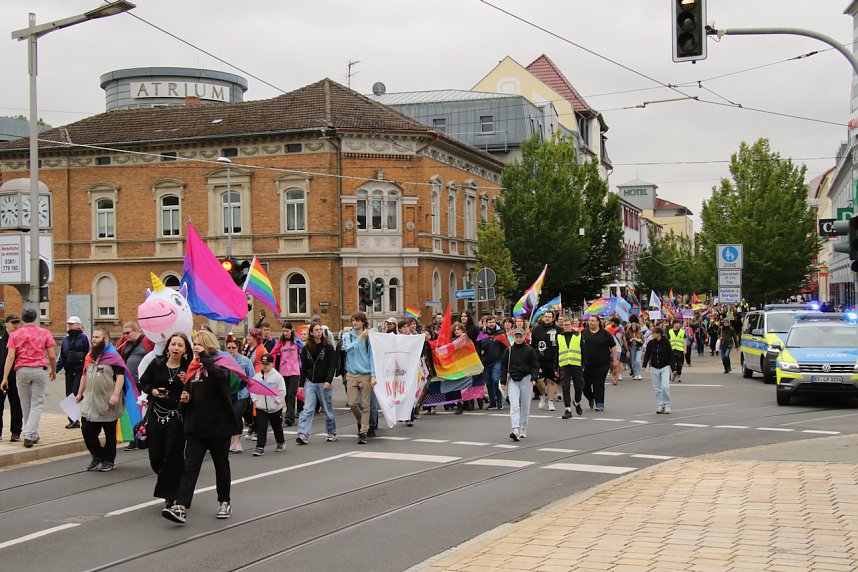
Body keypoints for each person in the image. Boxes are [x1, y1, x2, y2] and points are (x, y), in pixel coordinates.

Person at [162, 331, 236, 524]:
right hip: (196, 427)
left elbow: (219, 379)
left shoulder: (221, 364)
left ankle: (224, 501)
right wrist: (184, 400)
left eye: (199, 344)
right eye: (194, 343)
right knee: (190, 468)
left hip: (219, 427)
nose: (194, 347)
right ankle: (181, 506)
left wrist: (204, 357)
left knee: (221, 465)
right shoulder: (192, 369)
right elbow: (186, 394)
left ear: (208, 346)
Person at [140, 332, 191, 507]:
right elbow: (145, 382)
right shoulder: (158, 363)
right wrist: (153, 391)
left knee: (172, 455)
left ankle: (171, 495)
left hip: (177, 416)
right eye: (173, 344)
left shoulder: (188, 367)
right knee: (155, 456)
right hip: (156, 414)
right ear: (168, 346)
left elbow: (195, 389)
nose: (176, 348)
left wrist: (187, 382)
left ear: (185, 349)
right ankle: (174, 480)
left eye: (180, 345)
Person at [0, 307, 57, 448]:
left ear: (22, 319)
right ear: (35, 318)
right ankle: (29, 434)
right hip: (38, 369)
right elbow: (52, 355)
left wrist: (5, 377)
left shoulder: (15, 335)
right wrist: (54, 370)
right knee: (37, 403)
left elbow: (10, 356)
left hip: (21, 370)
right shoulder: (44, 333)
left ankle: (31, 432)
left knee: (25, 404)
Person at [75, 328, 125, 472]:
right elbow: (84, 375)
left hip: (107, 402)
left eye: (97, 337)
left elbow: (120, 377)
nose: (94, 339)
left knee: (110, 433)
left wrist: (115, 394)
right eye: (93, 337)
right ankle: (97, 456)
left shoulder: (113, 357)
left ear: (106, 340)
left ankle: (109, 460)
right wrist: (79, 393)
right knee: (87, 431)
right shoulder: (90, 356)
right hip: (90, 403)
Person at [295, 323, 338, 445]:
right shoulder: (306, 349)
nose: (319, 332)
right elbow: (303, 368)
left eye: (320, 330)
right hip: (311, 383)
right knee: (307, 409)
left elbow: (331, 366)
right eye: (316, 330)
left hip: (323, 383)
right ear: (311, 333)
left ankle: (331, 432)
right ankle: (302, 434)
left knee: (327, 409)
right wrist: (301, 384)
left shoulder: (328, 347)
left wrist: (328, 381)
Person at [499, 327, 539, 442]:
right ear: (514, 337)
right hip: (513, 380)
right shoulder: (509, 351)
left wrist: (534, 377)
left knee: (525, 406)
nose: (518, 338)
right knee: (515, 405)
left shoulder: (530, 350)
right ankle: (515, 429)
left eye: (520, 336)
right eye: (516, 336)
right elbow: (504, 366)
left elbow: (534, 365)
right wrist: (503, 381)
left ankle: (523, 427)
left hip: (526, 379)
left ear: (524, 337)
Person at [342, 312, 374, 444]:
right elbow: (348, 348)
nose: (354, 323)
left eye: (357, 320)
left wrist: (373, 375)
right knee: (352, 403)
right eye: (353, 320)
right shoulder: (347, 335)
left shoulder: (369, 338)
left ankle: (363, 432)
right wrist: (360, 337)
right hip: (351, 374)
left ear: (363, 322)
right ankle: (362, 422)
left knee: (366, 405)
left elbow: (372, 357)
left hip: (365, 374)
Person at [56, 316, 90, 429]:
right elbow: (62, 355)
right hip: (69, 370)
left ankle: (77, 419)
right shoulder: (66, 339)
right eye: (69, 324)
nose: (70, 326)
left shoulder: (84, 338)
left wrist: (88, 368)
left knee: (75, 394)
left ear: (78, 325)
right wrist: (56, 369)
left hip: (80, 370)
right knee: (69, 395)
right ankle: (73, 420)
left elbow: (89, 353)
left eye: (72, 324)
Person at [119, 321, 148, 450]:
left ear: (136, 331)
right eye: (124, 333)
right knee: (132, 410)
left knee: (144, 410)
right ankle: (134, 438)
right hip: (130, 383)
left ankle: (145, 435)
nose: (125, 335)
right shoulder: (125, 343)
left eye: (128, 333)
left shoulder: (146, 341)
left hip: (143, 382)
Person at [251, 354, 287, 456]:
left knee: (277, 426)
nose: (265, 366)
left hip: (274, 408)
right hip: (261, 407)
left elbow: (282, 390)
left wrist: (278, 399)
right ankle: (260, 447)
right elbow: (253, 390)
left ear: (272, 364)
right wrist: (255, 400)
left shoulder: (277, 377)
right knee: (261, 427)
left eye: (267, 364)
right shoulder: (257, 377)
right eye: (263, 364)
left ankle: (280, 442)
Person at [580, 315, 618, 412]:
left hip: (602, 363)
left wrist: (615, 360)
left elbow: (613, 347)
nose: (590, 322)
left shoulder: (605, 334)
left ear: (598, 322)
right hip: (587, 364)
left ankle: (600, 403)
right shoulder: (584, 332)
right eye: (589, 321)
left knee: (599, 384)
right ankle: (590, 397)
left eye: (593, 320)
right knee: (585, 385)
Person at [269, 321, 302, 427]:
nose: (285, 333)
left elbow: (304, 351)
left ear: (291, 331)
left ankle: (289, 416)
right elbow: (273, 353)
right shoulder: (281, 342)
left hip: (294, 371)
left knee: (291, 394)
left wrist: (300, 343)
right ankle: (290, 416)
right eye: (283, 331)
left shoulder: (296, 341)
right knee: (286, 394)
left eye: (287, 331)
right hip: (283, 371)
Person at [225, 338, 253, 453]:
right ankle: (231, 441)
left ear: (238, 348)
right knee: (229, 416)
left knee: (236, 414)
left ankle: (237, 442)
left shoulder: (245, 361)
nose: (231, 350)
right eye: (229, 348)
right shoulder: (223, 361)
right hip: (228, 393)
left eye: (233, 348)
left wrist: (253, 395)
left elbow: (251, 377)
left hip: (242, 394)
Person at [531, 311, 560, 411]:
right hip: (539, 359)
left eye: (549, 317)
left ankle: (551, 402)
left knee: (551, 381)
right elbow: (533, 345)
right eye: (545, 316)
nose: (547, 318)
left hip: (553, 359)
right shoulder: (536, 330)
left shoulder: (558, 330)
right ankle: (543, 394)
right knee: (539, 380)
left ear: (553, 318)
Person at [555, 316, 584, 418]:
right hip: (564, 365)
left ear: (572, 325)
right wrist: (555, 368)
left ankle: (576, 401)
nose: (566, 326)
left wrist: (584, 365)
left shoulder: (579, 336)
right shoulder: (559, 337)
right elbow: (556, 352)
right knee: (565, 387)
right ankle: (568, 409)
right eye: (564, 325)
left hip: (576, 364)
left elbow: (584, 351)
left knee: (579, 387)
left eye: (568, 325)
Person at [0, 315, 22, 442]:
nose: (15, 325)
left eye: (17, 323)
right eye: (13, 323)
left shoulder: (20, 340)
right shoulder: (2, 339)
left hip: (15, 376)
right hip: (1, 377)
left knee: (16, 404)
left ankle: (16, 432)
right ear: (6, 324)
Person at [642, 326, 675, 414]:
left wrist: (673, 368)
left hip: (665, 366)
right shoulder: (651, 343)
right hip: (654, 367)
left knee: (665, 386)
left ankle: (667, 405)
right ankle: (661, 405)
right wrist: (644, 365)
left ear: (659, 334)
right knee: (657, 388)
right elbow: (647, 354)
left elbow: (671, 355)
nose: (652, 334)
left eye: (653, 333)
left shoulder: (666, 342)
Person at [478, 316, 505, 411]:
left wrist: (504, 360)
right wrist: (480, 358)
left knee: (495, 380)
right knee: (488, 383)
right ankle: (492, 403)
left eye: (493, 322)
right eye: (489, 322)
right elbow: (478, 347)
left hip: (497, 361)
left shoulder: (501, 333)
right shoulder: (482, 334)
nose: (491, 324)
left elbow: (506, 347)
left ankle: (499, 402)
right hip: (485, 363)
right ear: (486, 323)